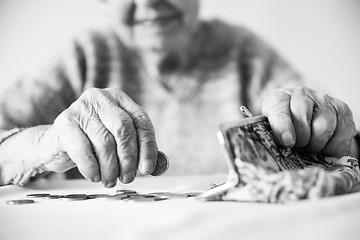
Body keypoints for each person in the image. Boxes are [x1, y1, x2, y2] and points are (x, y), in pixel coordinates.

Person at [0, 0, 358, 188]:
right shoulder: (81, 57)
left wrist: (330, 131)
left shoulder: (245, 53)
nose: (150, 0)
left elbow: (337, 139)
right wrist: (41, 146)